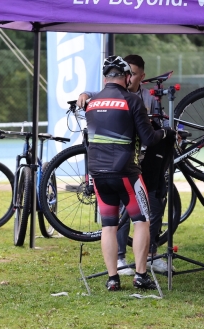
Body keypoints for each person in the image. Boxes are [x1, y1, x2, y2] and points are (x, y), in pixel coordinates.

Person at [78, 54, 174, 276]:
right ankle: (141, 276)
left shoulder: (92, 104)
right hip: (126, 173)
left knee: (108, 226)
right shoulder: (132, 100)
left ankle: (112, 278)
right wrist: (166, 132)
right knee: (142, 221)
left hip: (98, 174)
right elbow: (149, 139)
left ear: (104, 79)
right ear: (128, 77)